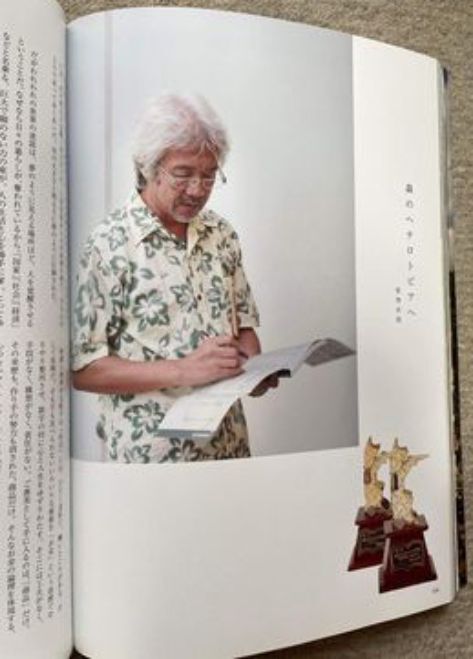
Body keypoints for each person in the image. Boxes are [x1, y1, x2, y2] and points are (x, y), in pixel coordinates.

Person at [72, 93, 277, 463]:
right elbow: (84, 368)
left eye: (209, 175)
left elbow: (244, 328)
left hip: (230, 448)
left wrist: (254, 371)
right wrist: (183, 370)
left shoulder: (221, 234)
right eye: (183, 174)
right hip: (153, 459)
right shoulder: (108, 244)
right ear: (148, 167)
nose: (197, 190)